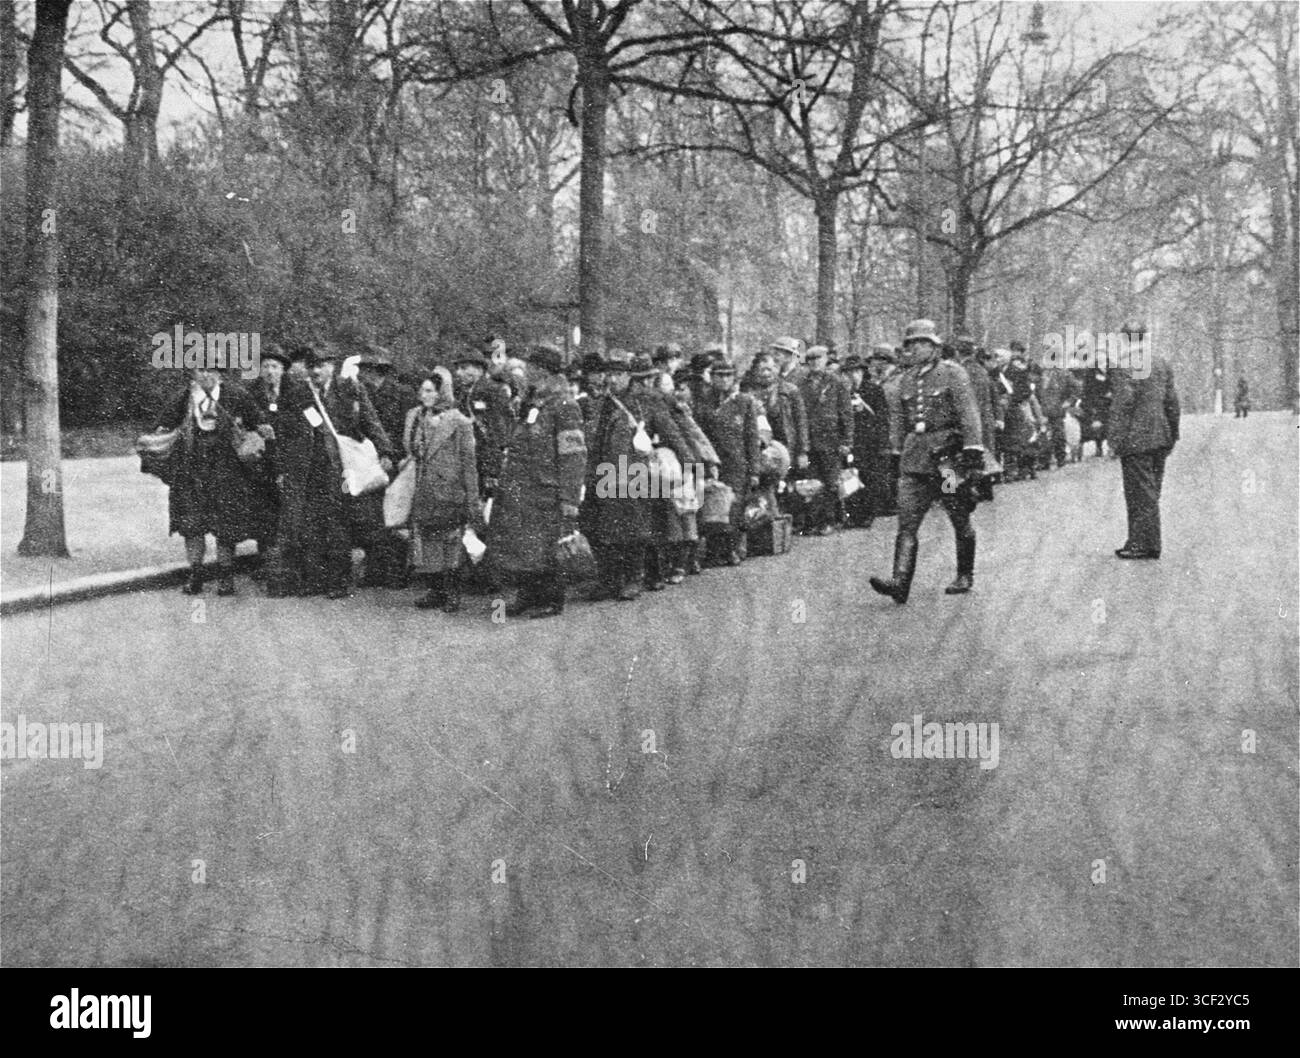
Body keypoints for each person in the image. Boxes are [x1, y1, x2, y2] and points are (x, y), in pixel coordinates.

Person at [869, 319, 984, 604]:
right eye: (911, 344)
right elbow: (898, 420)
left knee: (959, 515)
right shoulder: (905, 379)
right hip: (915, 459)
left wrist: (972, 449)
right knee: (907, 522)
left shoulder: (952, 374)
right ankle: (900, 581)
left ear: (935, 347)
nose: (915, 349)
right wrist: (895, 451)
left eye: (921, 343)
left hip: (947, 459)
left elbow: (968, 412)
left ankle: (964, 574)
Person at [272, 344, 396, 599]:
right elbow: (285, 434)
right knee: (310, 525)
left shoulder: (349, 389)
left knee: (339, 524)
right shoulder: (297, 393)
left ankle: (338, 581)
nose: (316, 371)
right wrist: (283, 468)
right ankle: (315, 579)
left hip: (342, 470)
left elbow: (370, 421)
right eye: (312, 366)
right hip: (308, 470)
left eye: (321, 365)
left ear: (332, 366)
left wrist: (385, 451)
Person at [488, 345, 587, 617]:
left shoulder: (565, 406)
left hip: (548, 489)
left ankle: (552, 599)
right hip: (524, 489)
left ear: (541, 370)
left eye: (531, 367)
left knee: (547, 548)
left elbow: (573, 456)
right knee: (524, 546)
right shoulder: (531, 403)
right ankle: (529, 594)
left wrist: (570, 499)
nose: (526, 371)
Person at [154, 366, 266, 596]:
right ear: (193, 374)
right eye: (200, 370)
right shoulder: (184, 397)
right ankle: (195, 573)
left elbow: (259, 424)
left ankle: (226, 576)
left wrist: (253, 437)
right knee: (191, 525)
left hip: (227, 471)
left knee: (226, 526)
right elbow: (163, 425)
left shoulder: (236, 395)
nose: (205, 375)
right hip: (191, 471)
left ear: (220, 374)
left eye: (211, 371)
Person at [404, 367, 479, 611]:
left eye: (429, 391)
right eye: (422, 390)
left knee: (451, 542)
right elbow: (411, 449)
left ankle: (452, 593)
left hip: (450, 490)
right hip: (426, 489)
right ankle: (435, 590)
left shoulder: (460, 422)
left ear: (441, 393)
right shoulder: (417, 418)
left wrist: (472, 498)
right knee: (429, 541)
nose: (423, 395)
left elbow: (469, 464)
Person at [1108, 323, 1180, 560]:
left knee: (1139, 493)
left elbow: (1123, 405)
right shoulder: (1160, 363)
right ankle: (1140, 540)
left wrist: (1115, 440)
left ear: (1125, 340)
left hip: (1135, 439)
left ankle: (1144, 543)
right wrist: (1172, 433)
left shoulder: (1124, 366)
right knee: (1151, 491)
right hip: (1160, 435)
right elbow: (1172, 402)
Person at [695, 357, 762, 565]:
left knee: (734, 507)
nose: (723, 380)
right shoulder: (703, 403)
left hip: (737, 462)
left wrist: (754, 470)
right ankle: (714, 551)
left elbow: (752, 437)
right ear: (711, 378)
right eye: (718, 376)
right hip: (712, 462)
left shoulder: (744, 402)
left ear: (734, 378)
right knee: (712, 506)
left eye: (727, 376)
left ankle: (732, 549)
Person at [797, 344, 853, 534]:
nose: (814, 364)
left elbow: (846, 413)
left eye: (818, 359)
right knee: (812, 481)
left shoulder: (836, 383)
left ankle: (828, 520)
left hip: (832, 439)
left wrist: (847, 441)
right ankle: (813, 520)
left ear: (826, 360)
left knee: (831, 482)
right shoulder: (801, 384)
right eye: (810, 360)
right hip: (810, 440)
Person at [247, 344, 293, 577]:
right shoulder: (251, 393)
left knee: (289, 511)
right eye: (265, 366)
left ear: (283, 370)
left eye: (275, 366)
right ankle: (266, 561)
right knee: (264, 512)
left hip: (288, 460)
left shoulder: (294, 392)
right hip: (261, 463)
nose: (270, 371)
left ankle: (287, 562)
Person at [452, 349, 511, 500]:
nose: (459, 373)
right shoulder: (466, 392)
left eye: (464, 368)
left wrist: (492, 469)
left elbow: (498, 431)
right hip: (472, 456)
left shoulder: (491, 391)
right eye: (458, 368)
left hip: (486, 459)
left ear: (479, 369)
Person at [842, 355, 890, 528]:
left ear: (862, 372)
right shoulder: (843, 391)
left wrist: (882, 442)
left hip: (870, 441)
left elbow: (883, 417)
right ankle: (853, 514)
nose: (853, 375)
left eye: (856, 371)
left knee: (868, 477)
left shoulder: (874, 390)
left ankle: (867, 514)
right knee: (850, 478)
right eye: (849, 372)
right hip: (851, 440)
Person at [868, 345, 902, 516]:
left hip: (896, 429)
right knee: (883, 467)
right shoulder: (876, 380)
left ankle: (893, 501)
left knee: (895, 467)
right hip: (879, 431)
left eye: (878, 360)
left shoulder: (899, 380)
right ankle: (885, 501)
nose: (875, 364)